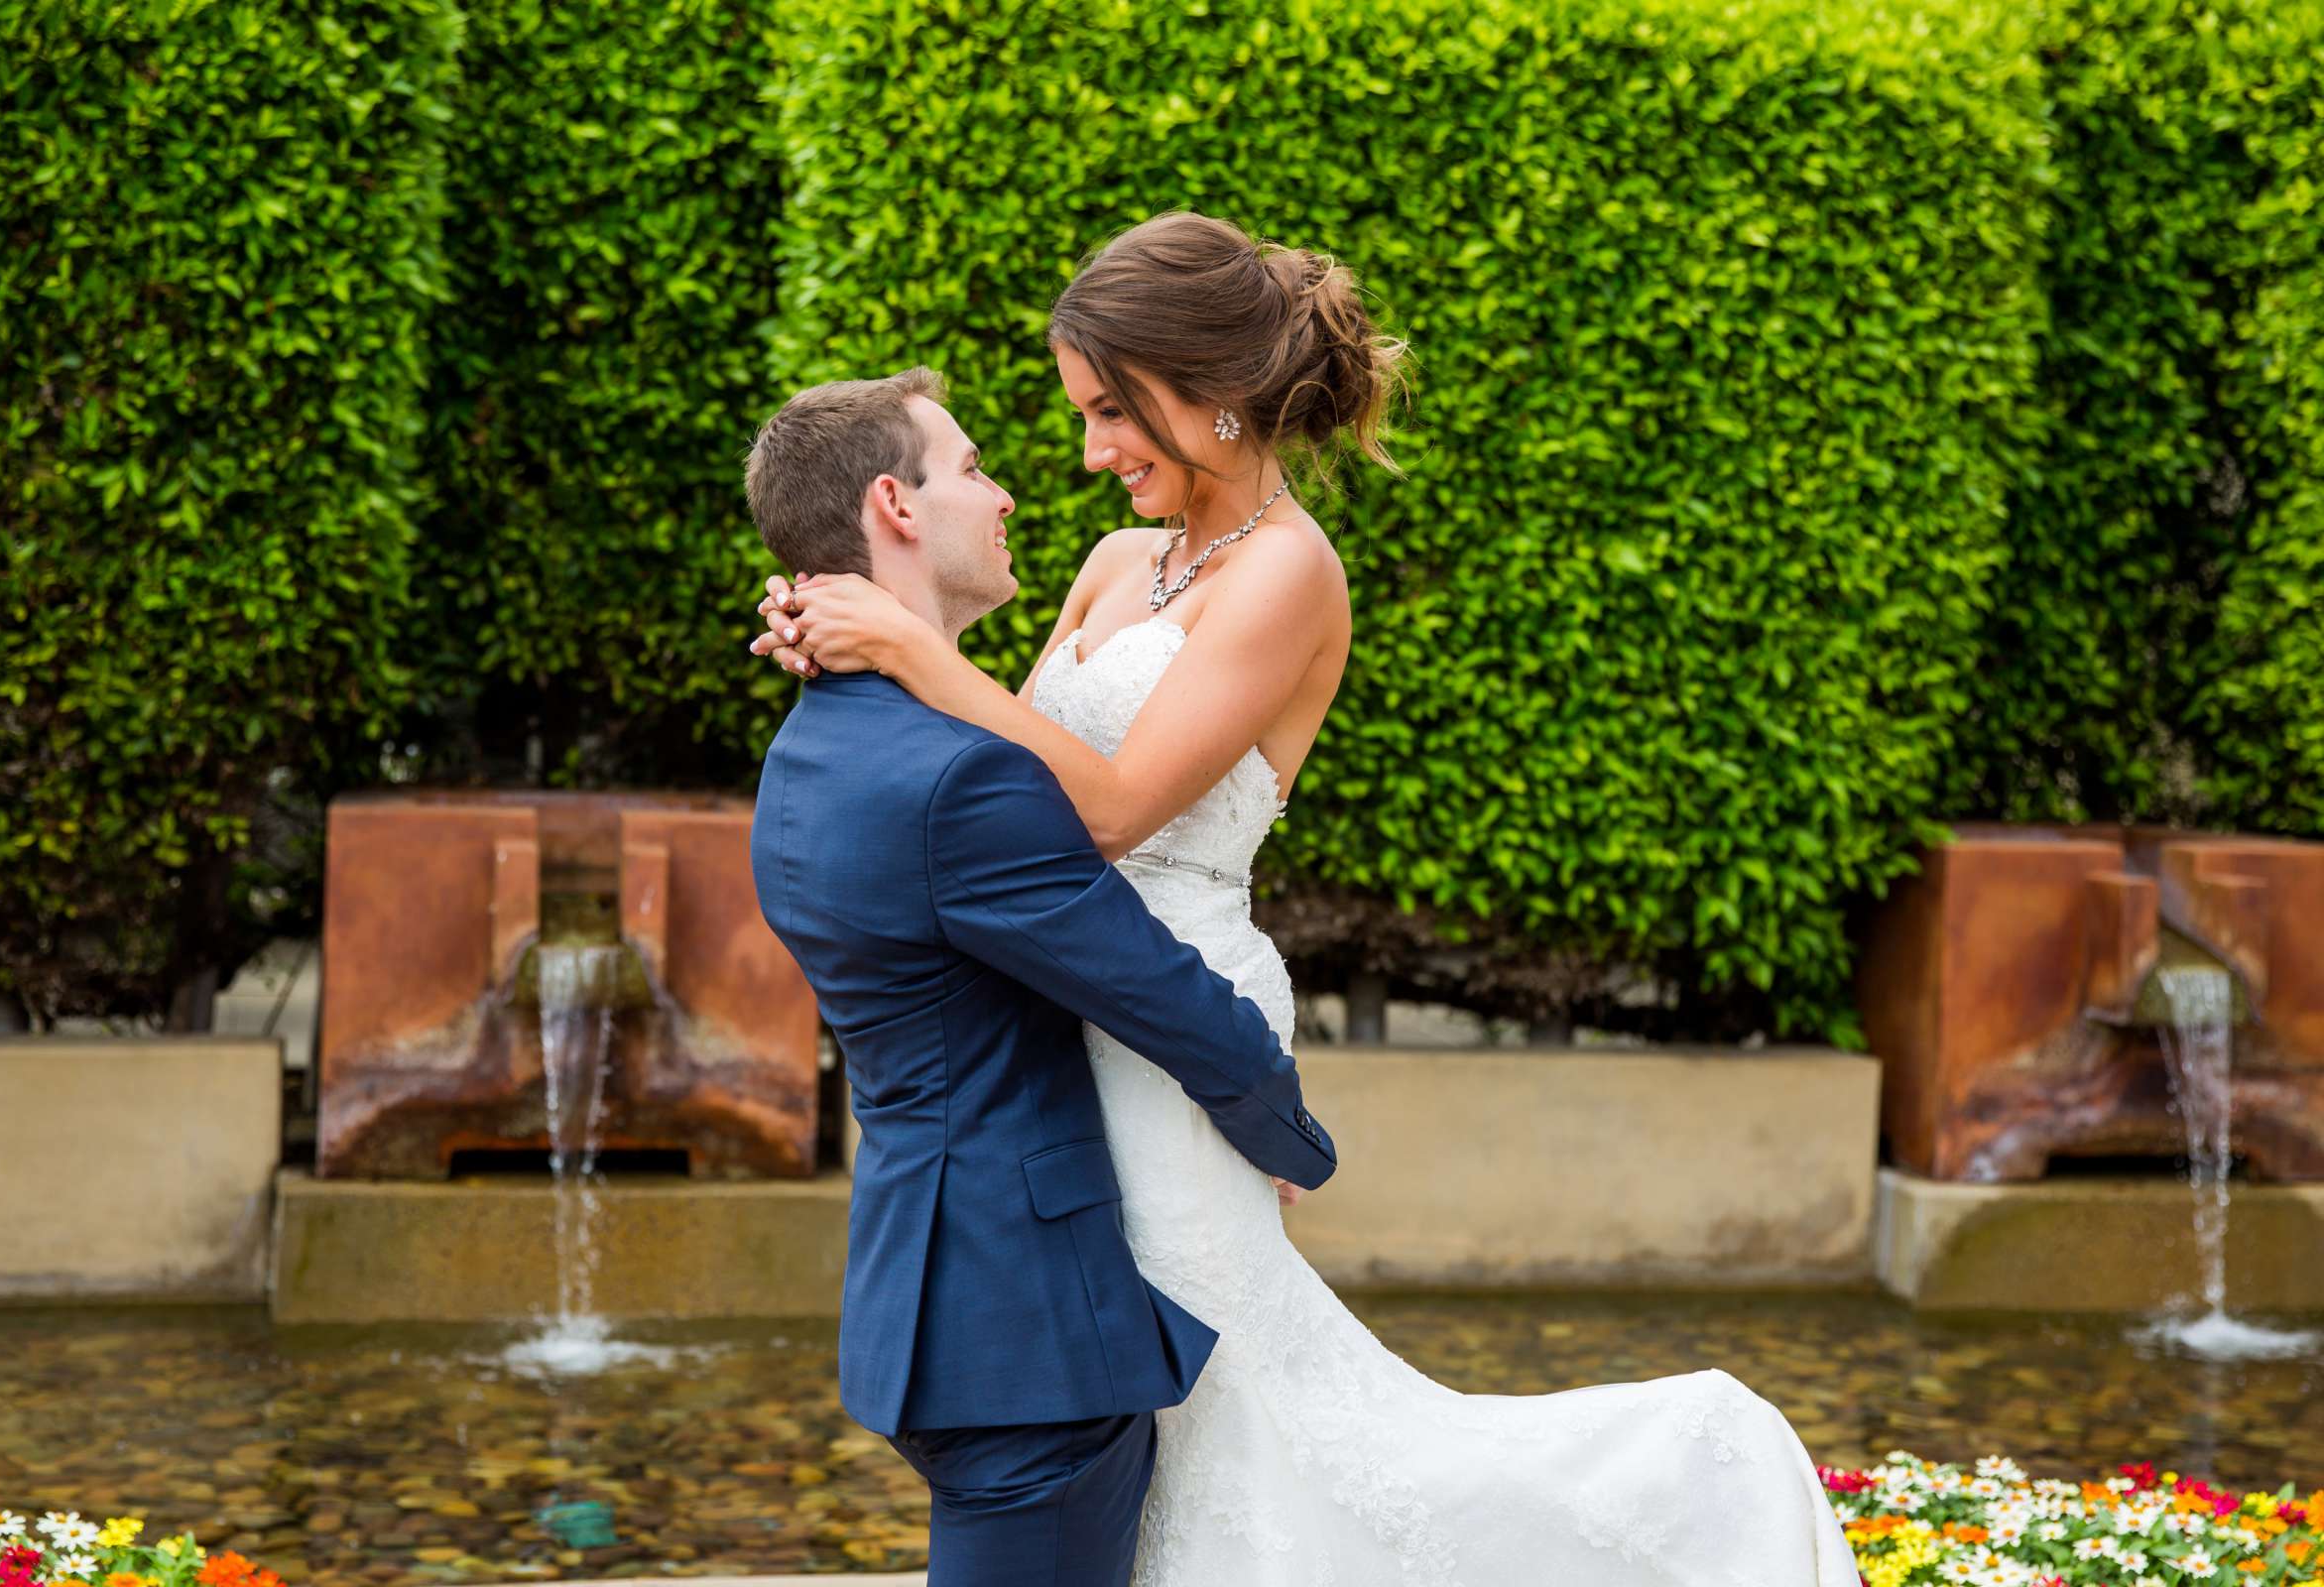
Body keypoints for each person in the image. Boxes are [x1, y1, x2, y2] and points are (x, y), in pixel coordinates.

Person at [750, 212, 1860, 1585]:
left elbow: (1107, 805)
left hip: (1172, 1023)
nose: (1092, 452)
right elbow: (986, 777)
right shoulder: (1109, 565)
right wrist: (838, 640)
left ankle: (1700, 1472)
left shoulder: (1291, 573)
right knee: (1175, 1424)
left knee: (1247, 1413)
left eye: (1112, 412)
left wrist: (908, 648)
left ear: (1209, 394)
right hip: (1072, 1032)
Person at [741, 362, 1338, 1587]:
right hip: (1029, 1323)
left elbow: (1023, 787)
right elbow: (1148, 968)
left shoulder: (813, 754)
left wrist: (872, 645)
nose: (1020, 485)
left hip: (941, 1270)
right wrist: (1291, 1136)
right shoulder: (957, 778)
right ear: (896, 511)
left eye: (1104, 411)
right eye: (973, 466)